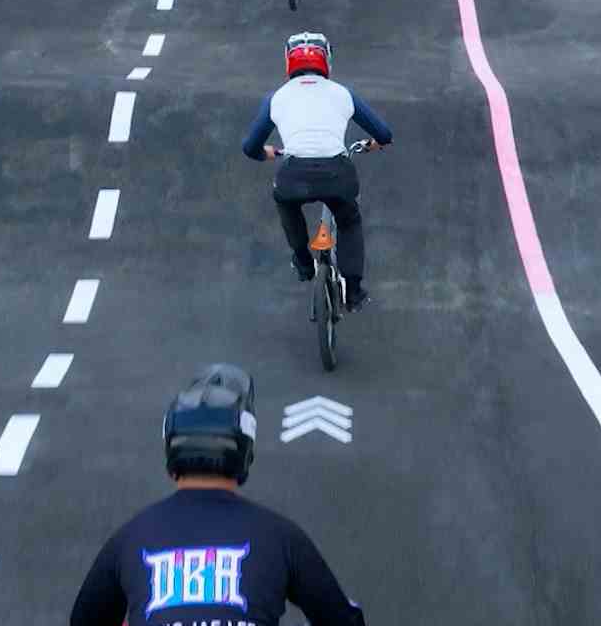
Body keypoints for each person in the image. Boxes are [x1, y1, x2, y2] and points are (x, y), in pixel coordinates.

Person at [69, 364, 367, 626]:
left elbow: (85, 619)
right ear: (245, 453)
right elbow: (342, 619)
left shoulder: (130, 538)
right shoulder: (281, 537)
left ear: (171, 450)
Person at [243, 33, 393, 312]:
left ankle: (303, 261)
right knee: (348, 220)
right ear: (327, 61)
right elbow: (384, 133)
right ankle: (354, 292)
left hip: (294, 174)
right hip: (337, 174)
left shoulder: (277, 97)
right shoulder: (342, 93)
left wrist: (268, 152)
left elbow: (250, 147)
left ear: (288, 61)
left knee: (286, 202)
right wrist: (373, 144)